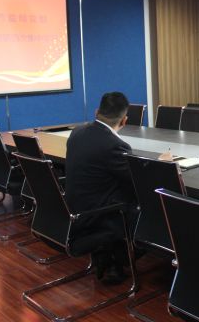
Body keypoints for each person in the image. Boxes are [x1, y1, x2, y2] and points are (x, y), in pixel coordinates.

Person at [65, 91, 137, 284]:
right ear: (124, 120)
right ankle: (120, 256)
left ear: (97, 112)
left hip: (73, 212)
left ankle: (109, 257)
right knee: (148, 201)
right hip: (97, 218)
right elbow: (136, 181)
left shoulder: (76, 133)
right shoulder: (115, 145)